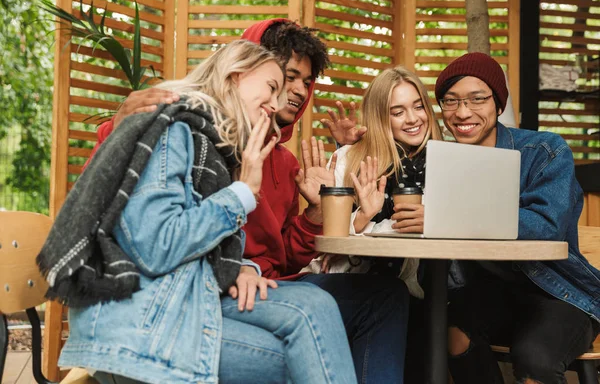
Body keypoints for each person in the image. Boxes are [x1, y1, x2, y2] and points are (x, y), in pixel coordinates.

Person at [85, 19, 412, 384]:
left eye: (307, 82)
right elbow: (123, 212)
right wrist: (118, 125)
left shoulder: (284, 162)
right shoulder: (190, 133)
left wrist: (314, 214)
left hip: (257, 284)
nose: (299, 91)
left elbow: (282, 255)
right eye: (285, 78)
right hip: (191, 293)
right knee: (309, 326)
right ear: (245, 70)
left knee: (385, 296)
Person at [40, 40, 358, 384]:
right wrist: (242, 193)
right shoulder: (175, 130)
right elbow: (156, 246)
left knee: (318, 306)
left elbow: (205, 240)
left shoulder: (215, 148)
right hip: (138, 320)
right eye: (272, 87)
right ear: (236, 76)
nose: (275, 103)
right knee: (302, 353)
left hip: (180, 297)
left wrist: (242, 266)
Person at [434, 52, 600, 384]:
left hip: (558, 294)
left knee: (534, 360)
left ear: (498, 105)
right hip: (493, 296)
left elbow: (546, 227)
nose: (462, 112)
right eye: (450, 102)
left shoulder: (546, 151)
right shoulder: (442, 162)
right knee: (448, 334)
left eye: (476, 99)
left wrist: (457, 211)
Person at [304, 66, 442, 291]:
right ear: (380, 117)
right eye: (397, 112)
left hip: (417, 288)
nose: (412, 119)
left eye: (419, 107)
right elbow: (330, 234)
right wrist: (361, 218)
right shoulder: (350, 157)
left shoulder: (445, 162)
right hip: (345, 280)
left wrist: (436, 222)